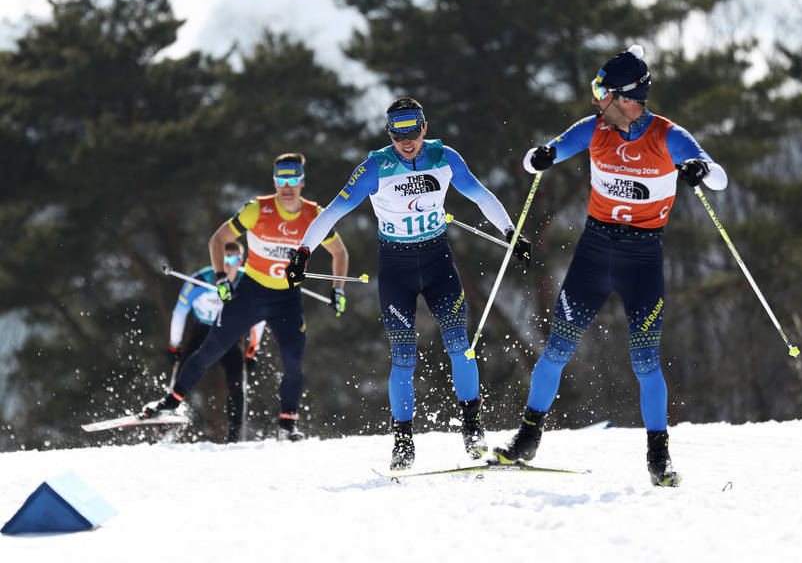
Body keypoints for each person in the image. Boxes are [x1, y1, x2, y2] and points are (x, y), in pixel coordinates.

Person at [492, 45, 728, 487]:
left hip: (642, 259)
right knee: (557, 349)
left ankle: (659, 459)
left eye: (602, 90)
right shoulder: (594, 128)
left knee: (644, 361)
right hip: (595, 252)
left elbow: (719, 176)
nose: (595, 98)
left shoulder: (667, 135)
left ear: (625, 97)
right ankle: (527, 438)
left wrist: (698, 168)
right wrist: (540, 156)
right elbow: (537, 158)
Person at [285, 97, 532, 470]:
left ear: (424, 128)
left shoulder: (445, 157)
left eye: (413, 132)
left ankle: (472, 430)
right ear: (389, 133)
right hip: (397, 268)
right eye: (399, 134)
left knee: (459, 346)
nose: (407, 142)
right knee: (403, 358)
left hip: (437, 262)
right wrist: (302, 252)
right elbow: (333, 211)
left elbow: (481, 196)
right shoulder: (374, 167)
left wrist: (511, 232)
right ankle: (402, 442)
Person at [143, 153, 350, 441]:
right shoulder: (258, 209)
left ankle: (287, 426)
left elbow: (339, 252)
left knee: (293, 362)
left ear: (302, 180)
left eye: (292, 178)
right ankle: (169, 403)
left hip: (286, 300)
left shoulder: (315, 215)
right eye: (281, 178)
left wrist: (338, 288)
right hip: (250, 294)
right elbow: (218, 239)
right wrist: (219, 277)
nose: (287, 185)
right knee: (210, 350)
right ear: (274, 181)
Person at [166, 241, 265, 443]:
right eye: (223, 259)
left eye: (233, 259)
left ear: (241, 261)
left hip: (230, 333)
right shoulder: (200, 280)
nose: (228, 264)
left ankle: (234, 435)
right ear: (216, 259)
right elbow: (179, 312)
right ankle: (166, 417)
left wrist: (254, 347)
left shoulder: (248, 282)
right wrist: (173, 344)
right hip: (202, 329)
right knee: (185, 370)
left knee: (236, 381)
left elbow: (260, 317)